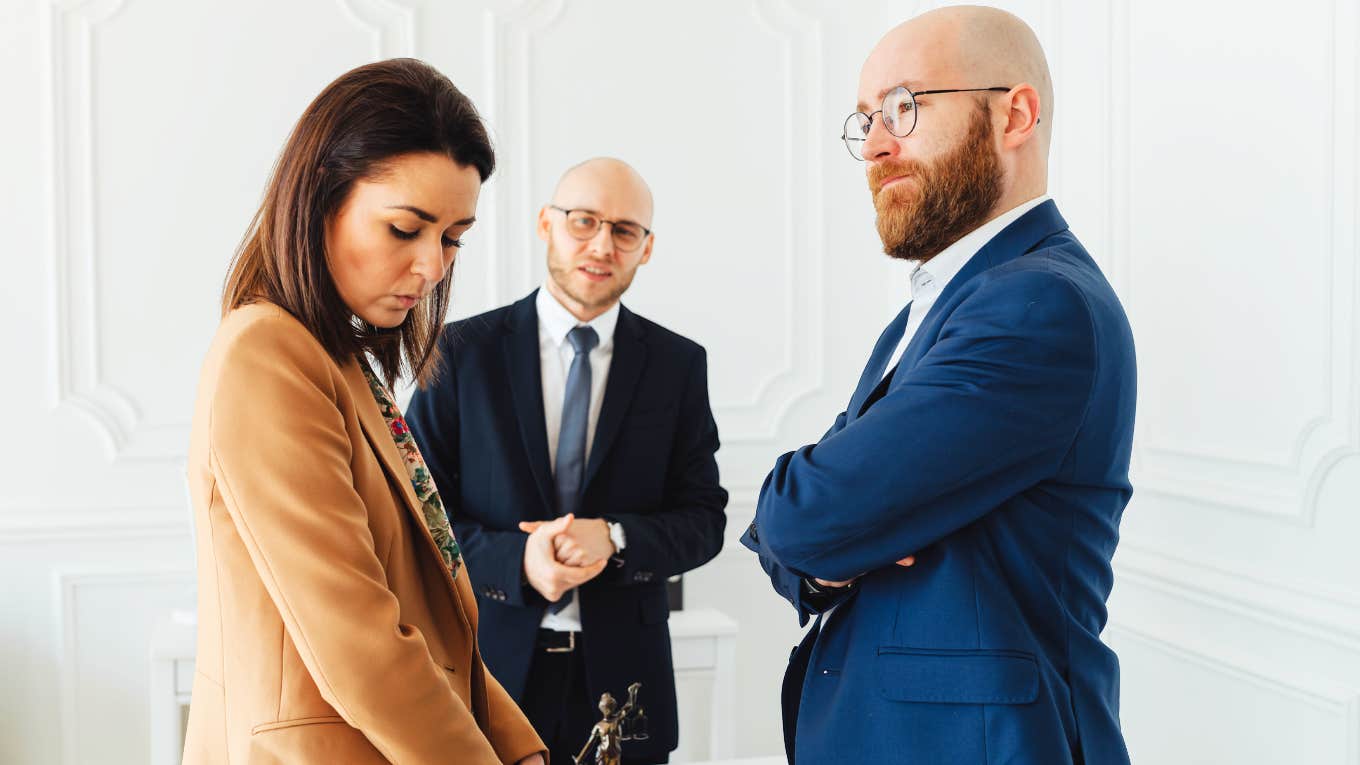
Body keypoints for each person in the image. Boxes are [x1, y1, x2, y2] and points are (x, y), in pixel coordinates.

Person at [741, 7, 1136, 764]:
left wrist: (824, 530)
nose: (878, 145)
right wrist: (828, 539)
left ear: (1014, 113)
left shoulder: (1039, 305)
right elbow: (811, 527)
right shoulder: (941, 305)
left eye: (905, 106)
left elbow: (800, 518)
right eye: (867, 119)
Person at [183, 58, 545, 764]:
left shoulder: (336, 358)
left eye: (452, 237)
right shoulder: (267, 355)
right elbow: (358, 638)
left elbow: (423, 604)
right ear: (320, 200)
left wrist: (512, 741)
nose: (435, 266)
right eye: (406, 229)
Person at [406, 157, 728, 765]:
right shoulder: (457, 352)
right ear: (546, 225)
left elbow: (705, 521)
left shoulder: (677, 366)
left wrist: (615, 537)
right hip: (486, 674)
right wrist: (517, 560)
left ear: (647, 249)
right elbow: (416, 518)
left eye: (624, 230)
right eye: (583, 221)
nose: (602, 245)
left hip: (627, 689)